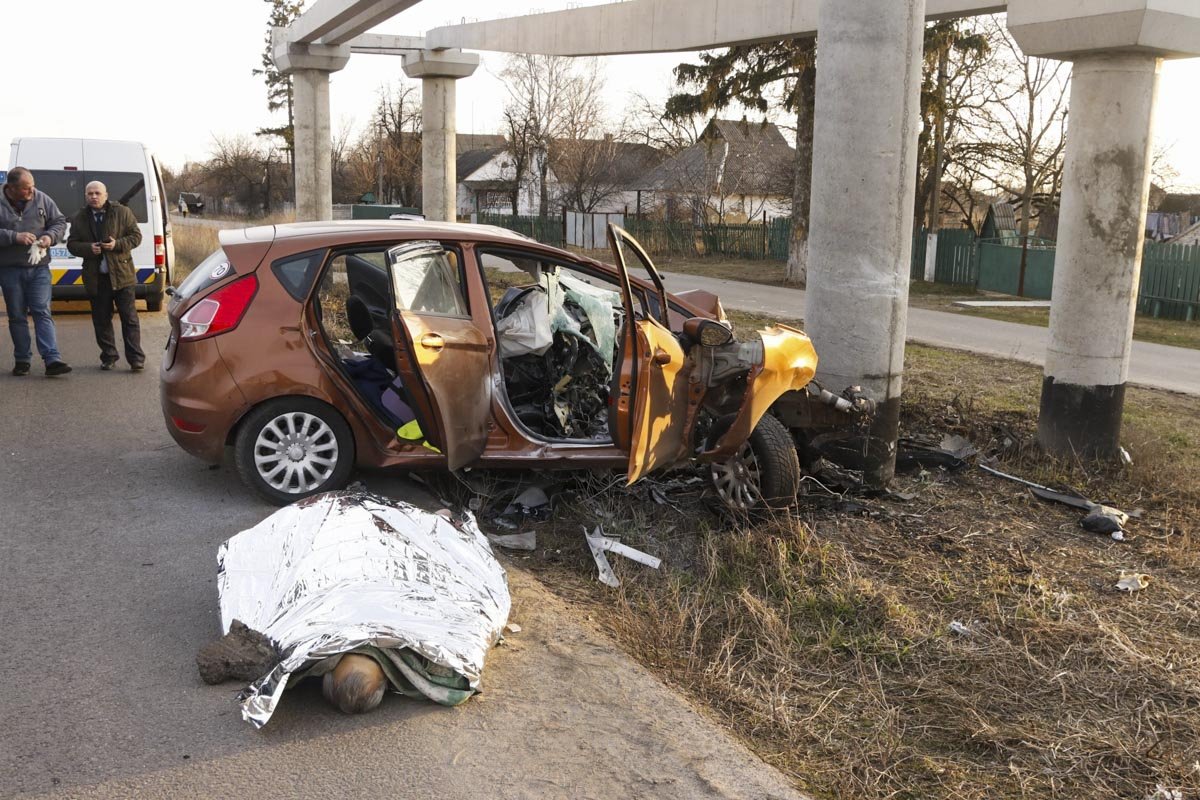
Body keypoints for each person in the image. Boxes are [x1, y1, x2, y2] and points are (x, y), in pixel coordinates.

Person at [66, 181, 145, 371]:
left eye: (97, 193)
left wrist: (117, 244)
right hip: (96, 278)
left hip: (122, 276)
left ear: (106, 195)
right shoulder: (79, 217)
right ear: (86, 196)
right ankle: (109, 357)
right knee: (101, 320)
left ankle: (136, 359)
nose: (94, 196)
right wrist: (88, 248)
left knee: (130, 319)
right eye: (90, 193)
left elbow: (136, 237)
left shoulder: (122, 212)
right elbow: (72, 244)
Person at [0, 167, 71, 377]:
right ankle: (22, 360)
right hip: (9, 269)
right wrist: (14, 237)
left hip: (39, 268)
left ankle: (52, 359)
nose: (32, 191)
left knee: (42, 311)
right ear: (11, 188)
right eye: (27, 188)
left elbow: (59, 222)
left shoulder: (42, 199)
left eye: (32, 186)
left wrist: (50, 237)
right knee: (17, 315)